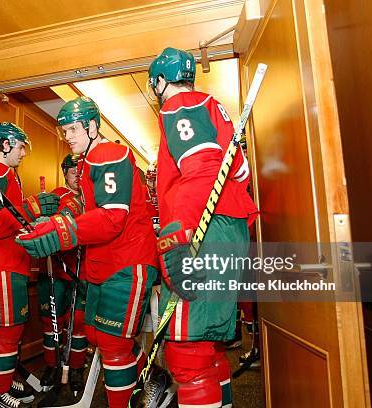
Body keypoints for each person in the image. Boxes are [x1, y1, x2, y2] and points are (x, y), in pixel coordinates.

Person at [16, 96, 158, 408]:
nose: (67, 136)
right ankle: (154, 378)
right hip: (105, 261)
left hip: (127, 259)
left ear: (93, 126)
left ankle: (131, 397)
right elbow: (92, 218)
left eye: (72, 129)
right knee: (93, 333)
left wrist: (61, 233)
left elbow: (112, 216)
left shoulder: (108, 153)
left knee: (112, 342)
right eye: (64, 130)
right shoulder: (89, 160)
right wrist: (54, 226)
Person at [147, 47, 258, 408]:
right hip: (228, 229)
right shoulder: (215, 109)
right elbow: (238, 171)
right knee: (208, 348)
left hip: (204, 230)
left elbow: (202, 171)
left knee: (188, 353)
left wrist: (177, 237)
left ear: (160, 81)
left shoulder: (180, 105)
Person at [0, 122, 49, 408]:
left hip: (10, 263)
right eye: (20, 146)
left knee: (13, 329)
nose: (24, 152)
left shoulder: (6, 174)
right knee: (7, 330)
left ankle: (2, 381)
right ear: (5, 145)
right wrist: (32, 208)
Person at [36, 154, 88, 393]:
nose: (77, 175)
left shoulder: (91, 198)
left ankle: (76, 368)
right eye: (73, 171)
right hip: (56, 270)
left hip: (82, 270)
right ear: (65, 172)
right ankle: (52, 365)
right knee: (51, 321)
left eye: (81, 171)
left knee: (78, 322)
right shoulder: (56, 195)